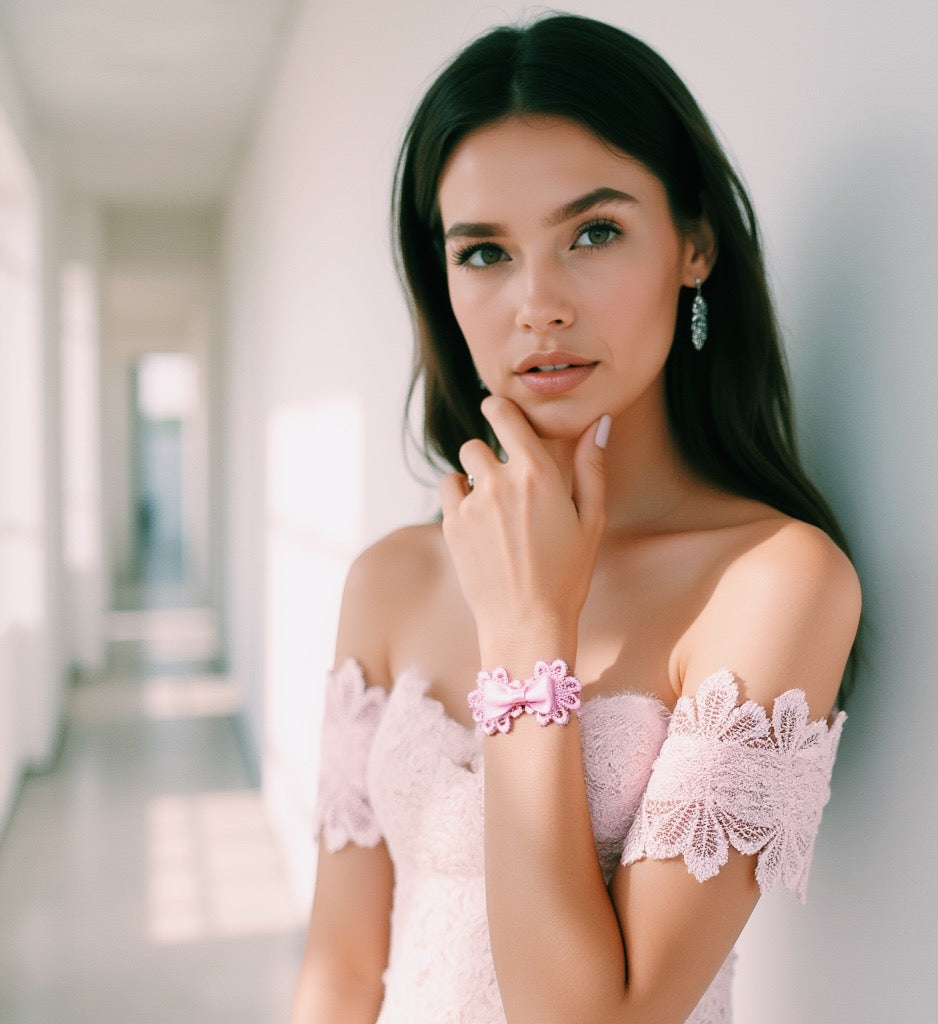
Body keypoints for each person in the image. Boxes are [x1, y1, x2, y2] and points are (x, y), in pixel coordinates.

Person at [289, 13, 860, 1024]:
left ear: (693, 245)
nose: (536, 303)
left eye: (593, 233)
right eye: (484, 253)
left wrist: (525, 635)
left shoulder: (775, 582)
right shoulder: (388, 580)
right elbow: (337, 973)